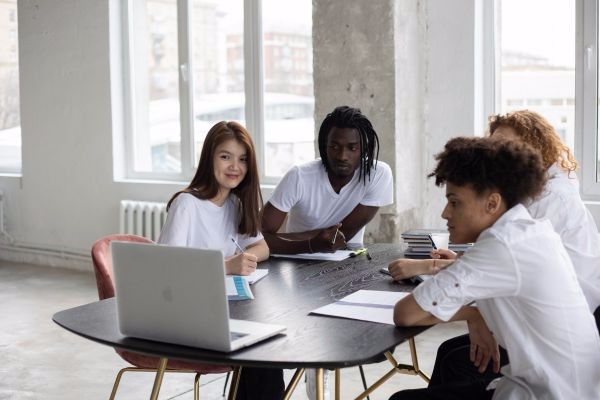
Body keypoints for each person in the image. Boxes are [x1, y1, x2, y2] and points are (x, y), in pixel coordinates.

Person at [389, 110, 600, 387]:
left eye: (455, 202)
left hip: (554, 386)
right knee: (449, 357)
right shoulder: (523, 226)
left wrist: (474, 313)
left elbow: (404, 314)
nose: (444, 214)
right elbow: (500, 266)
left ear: (492, 202)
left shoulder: (517, 230)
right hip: (565, 376)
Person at [261, 105, 393, 399]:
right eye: (334, 146)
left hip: (346, 269)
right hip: (290, 270)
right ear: (323, 145)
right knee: (289, 332)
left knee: (367, 325)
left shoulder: (378, 174)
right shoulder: (300, 176)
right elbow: (260, 237)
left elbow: (339, 237)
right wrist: (310, 243)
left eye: (351, 147)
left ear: (364, 149)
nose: (342, 155)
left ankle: (324, 376)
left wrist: (314, 240)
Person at [158, 121, 283, 400]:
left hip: (221, 307)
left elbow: (263, 246)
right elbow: (166, 268)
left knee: (268, 346)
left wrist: (245, 257)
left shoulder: (235, 204)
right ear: (209, 158)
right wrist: (226, 265)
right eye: (225, 156)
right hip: (184, 314)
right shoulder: (186, 204)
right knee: (262, 351)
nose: (234, 167)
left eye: (242, 159)